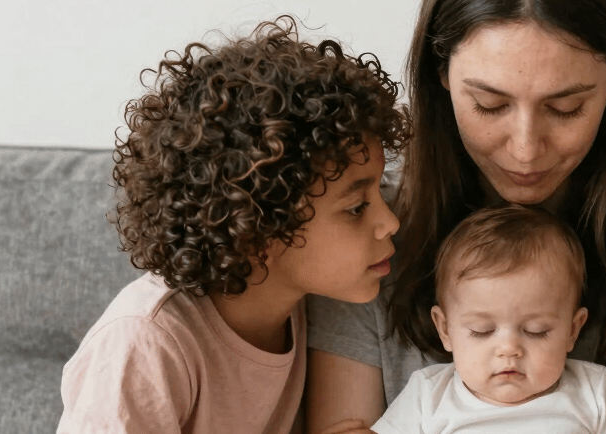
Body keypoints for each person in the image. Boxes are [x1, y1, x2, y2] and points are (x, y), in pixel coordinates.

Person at [306, 0, 606, 433]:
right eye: (489, 104)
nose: (525, 150)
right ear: (440, 73)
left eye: (566, 107)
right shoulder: (364, 231)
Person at [57, 16, 408, 434]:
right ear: (256, 228)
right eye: (355, 207)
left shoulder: (301, 310)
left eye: (379, 193)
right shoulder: (146, 344)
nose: (390, 221)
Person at [371, 204, 606, 434]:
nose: (509, 348)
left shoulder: (591, 390)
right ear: (445, 329)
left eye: (536, 330)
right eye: (482, 330)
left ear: (572, 330)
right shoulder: (428, 394)